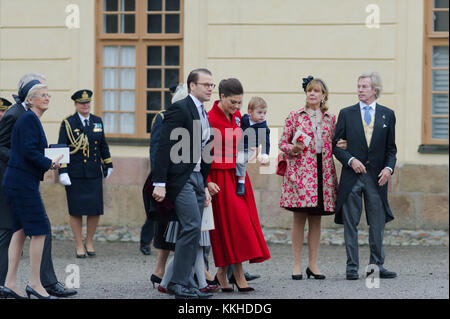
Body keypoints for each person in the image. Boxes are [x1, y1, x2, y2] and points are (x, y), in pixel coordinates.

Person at [0, 73, 76, 298]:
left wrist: (49, 156)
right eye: (43, 93)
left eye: (48, 93)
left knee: (21, 231)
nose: (48, 97)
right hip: (17, 179)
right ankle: (36, 284)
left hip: (19, 178)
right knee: (37, 229)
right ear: (29, 97)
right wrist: (45, 162)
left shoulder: (27, 116)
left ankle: (12, 283)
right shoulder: (20, 116)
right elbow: (10, 147)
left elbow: (28, 147)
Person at [152, 68, 214, 299]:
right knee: (190, 226)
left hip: (198, 177)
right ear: (192, 86)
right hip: (182, 178)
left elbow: (205, 149)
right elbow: (165, 147)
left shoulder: (203, 112)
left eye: (212, 85)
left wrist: (206, 183)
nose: (210, 88)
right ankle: (177, 284)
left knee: (194, 230)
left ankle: (186, 283)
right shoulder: (180, 108)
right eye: (205, 84)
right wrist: (160, 182)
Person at [279, 76, 346, 280]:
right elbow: (282, 143)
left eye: (316, 91)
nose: (312, 94)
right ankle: (297, 264)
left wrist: (343, 145)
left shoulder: (331, 119)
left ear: (323, 95)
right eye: (309, 90)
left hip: (322, 172)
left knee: (316, 220)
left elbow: (337, 142)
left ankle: (313, 264)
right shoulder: (295, 116)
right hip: (301, 174)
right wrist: (294, 148)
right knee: (299, 218)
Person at [207, 78, 270, 292]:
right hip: (218, 177)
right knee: (231, 227)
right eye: (233, 102)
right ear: (222, 96)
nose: (237, 107)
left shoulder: (237, 117)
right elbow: (200, 153)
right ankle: (238, 275)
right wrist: (206, 182)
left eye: (240, 103)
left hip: (237, 177)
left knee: (241, 224)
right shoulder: (209, 119)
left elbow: (252, 135)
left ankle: (222, 274)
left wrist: (255, 149)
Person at [332, 72, 397, 280]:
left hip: (377, 178)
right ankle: (352, 267)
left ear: (374, 90)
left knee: (377, 224)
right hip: (352, 176)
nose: (360, 89)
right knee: (351, 223)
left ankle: (376, 266)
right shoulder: (346, 114)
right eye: (358, 86)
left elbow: (391, 150)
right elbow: (337, 146)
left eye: (364, 86)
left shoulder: (388, 114)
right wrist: (350, 160)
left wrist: (389, 169)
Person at [57, 90, 113, 258]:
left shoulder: (97, 121)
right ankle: (79, 244)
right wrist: (63, 171)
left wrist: (108, 163)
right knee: (76, 210)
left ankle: (89, 241)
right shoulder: (68, 123)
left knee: (94, 210)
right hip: (75, 173)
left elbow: (102, 144)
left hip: (94, 172)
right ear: (76, 105)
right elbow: (62, 147)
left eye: (88, 102)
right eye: (82, 103)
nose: (85, 105)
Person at [235, 96, 270, 196]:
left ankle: (241, 182)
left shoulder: (262, 127)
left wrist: (265, 154)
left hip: (250, 149)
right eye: (259, 112)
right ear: (250, 111)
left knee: (240, 160)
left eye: (264, 113)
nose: (262, 115)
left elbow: (266, 142)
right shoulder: (244, 119)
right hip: (239, 146)